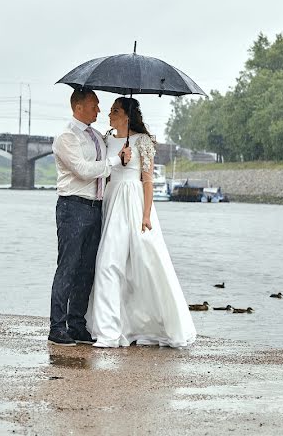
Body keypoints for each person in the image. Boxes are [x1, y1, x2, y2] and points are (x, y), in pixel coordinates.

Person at [86, 97, 197, 348]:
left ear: (127, 115)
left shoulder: (143, 142)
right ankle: (109, 332)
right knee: (107, 265)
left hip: (134, 204)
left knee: (142, 266)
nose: (109, 114)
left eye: (115, 110)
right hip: (112, 202)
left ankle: (145, 325)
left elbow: (147, 181)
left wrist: (146, 215)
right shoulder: (106, 140)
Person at [49, 89, 131, 346]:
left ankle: (76, 325)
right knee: (68, 267)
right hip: (72, 207)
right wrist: (115, 162)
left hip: (96, 207)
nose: (98, 110)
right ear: (79, 107)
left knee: (87, 270)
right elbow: (84, 171)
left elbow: (107, 168)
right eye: (94, 106)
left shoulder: (98, 136)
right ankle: (56, 327)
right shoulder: (66, 137)